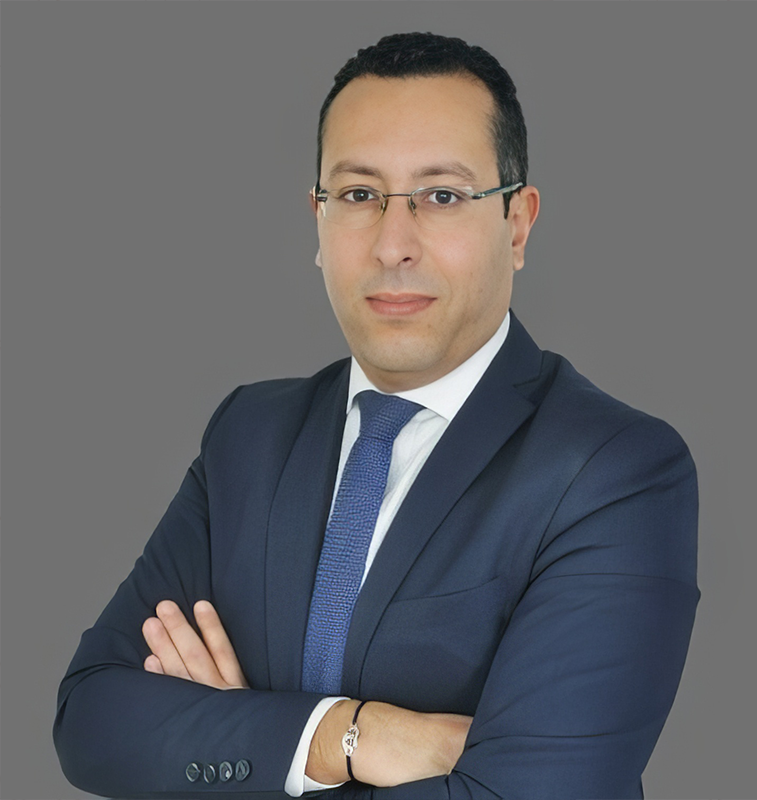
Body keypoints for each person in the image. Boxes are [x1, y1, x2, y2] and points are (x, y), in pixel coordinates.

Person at [53, 32, 700, 800]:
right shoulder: (248, 437)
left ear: (517, 225)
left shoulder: (614, 472)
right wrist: (345, 736)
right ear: (318, 220)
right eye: (359, 196)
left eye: (443, 196)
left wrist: (246, 741)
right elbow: (91, 721)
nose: (394, 245)